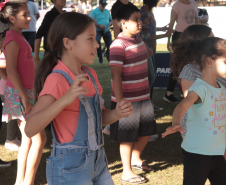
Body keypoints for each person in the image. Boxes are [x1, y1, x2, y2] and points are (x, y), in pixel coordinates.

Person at [25, 12, 133, 185]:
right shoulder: (57, 79)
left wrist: (117, 114)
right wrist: (65, 99)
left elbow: (97, 118)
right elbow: (30, 129)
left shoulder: (90, 74)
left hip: (98, 161)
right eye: (90, 39)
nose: (97, 44)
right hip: (70, 169)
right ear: (67, 43)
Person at [162, 37, 226, 185]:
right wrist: (176, 123)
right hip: (197, 154)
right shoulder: (199, 88)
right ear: (209, 62)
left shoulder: (221, 88)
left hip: (217, 151)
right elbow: (181, 106)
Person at [0, 0, 46, 184]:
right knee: (39, 139)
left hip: (25, 93)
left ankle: (22, 181)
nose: (30, 17)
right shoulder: (12, 39)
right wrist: (24, 97)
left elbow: (9, 70)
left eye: (29, 14)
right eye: (25, 15)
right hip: (23, 95)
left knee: (28, 139)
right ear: (12, 18)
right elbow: (10, 69)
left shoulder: (18, 37)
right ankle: (27, 182)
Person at [110, 4, 157, 183]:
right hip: (127, 100)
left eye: (140, 18)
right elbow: (115, 74)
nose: (140, 22)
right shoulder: (118, 45)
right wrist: (121, 101)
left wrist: (147, 52)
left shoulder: (138, 40)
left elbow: (140, 55)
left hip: (143, 96)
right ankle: (126, 171)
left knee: (147, 131)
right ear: (123, 23)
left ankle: (136, 159)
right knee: (127, 137)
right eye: (136, 19)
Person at [164, 0, 199, 103]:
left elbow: (196, 23)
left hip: (192, 38)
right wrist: (168, 41)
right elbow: (171, 25)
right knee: (178, 65)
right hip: (179, 38)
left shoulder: (194, 3)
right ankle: (169, 94)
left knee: (193, 65)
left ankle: (189, 91)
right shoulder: (177, 5)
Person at [140, 0, 172, 111]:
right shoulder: (143, 14)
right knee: (151, 77)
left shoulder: (148, 12)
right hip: (145, 50)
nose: (157, 1)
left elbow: (150, 29)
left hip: (151, 50)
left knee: (151, 78)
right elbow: (146, 36)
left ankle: (149, 104)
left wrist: (163, 29)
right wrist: (165, 34)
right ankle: (146, 105)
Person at [0, 23, 20, 152]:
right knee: (13, 114)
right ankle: (10, 139)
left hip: (9, 87)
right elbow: (2, 69)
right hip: (7, 88)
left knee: (15, 114)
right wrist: (11, 82)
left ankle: (12, 137)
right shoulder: (5, 52)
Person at [34, 0, 66, 64]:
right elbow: (39, 35)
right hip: (52, 55)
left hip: (64, 54)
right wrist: (36, 56)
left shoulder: (65, 14)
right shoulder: (50, 15)